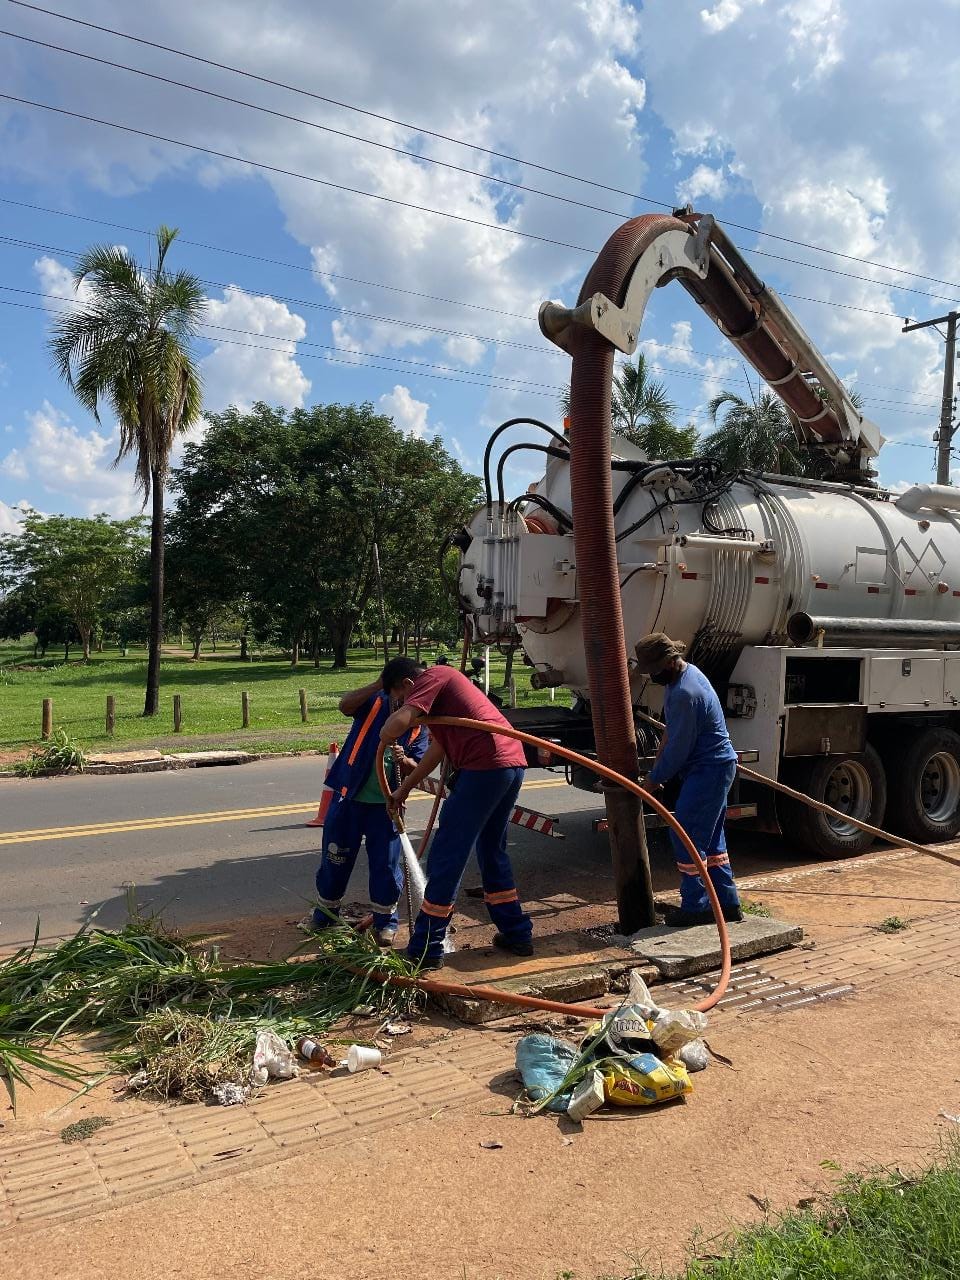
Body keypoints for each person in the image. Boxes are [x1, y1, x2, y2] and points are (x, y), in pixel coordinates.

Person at [378, 655, 533, 969]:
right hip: (509, 764)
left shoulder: (433, 677)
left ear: (408, 684)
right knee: (491, 850)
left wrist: (384, 736)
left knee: (447, 853)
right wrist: (403, 789)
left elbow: (399, 723)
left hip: (485, 766)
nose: (403, 702)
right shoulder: (441, 701)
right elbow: (438, 751)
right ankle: (517, 933)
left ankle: (427, 948)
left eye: (400, 697)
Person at [307, 674, 429, 946]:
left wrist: (405, 759)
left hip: (386, 807)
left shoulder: (421, 722)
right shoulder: (374, 701)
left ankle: (386, 924)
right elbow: (345, 706)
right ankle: (325, 914)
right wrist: (378, 684)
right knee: (335, 858)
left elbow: (419, 767)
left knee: (385, 867)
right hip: (348, 799)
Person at [634, 632, 743, 927]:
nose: (652, 676)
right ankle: (727, 904)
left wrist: (653, 781)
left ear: (669, 662)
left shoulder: (686, 692)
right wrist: (658, 758)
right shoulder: (684, 677)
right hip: (714, 769)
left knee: (687, 838)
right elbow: (672, 730)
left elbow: (679, 750)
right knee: (712, 841)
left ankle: (696, 907)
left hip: (708, 770)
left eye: (654, 670)